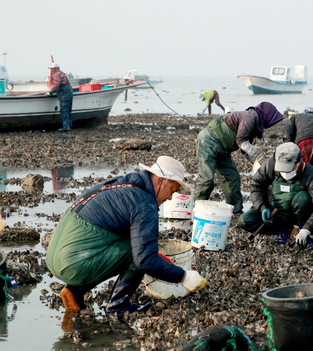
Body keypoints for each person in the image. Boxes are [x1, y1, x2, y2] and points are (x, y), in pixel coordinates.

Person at [46, 156, 208, 313]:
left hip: (55, 256)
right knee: (139, 254)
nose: (170, 197)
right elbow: (144, 259)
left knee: (136, 244)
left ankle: (76, 290)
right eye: (171, 190)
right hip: (73, 265)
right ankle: (118, 305)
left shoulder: (123, 184)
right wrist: (184, 277)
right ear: (160, 180)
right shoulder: (144, 204)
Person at [194, 102, 284, 214]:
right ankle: (196, 210)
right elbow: (241, 141)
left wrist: (260, 165)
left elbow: (245, 151)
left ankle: (235, 211)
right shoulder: (251, 116)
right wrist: (259, 155)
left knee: (233, 178)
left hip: (223, 149)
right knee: (206, 180)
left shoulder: (255, 125)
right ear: (267, 116)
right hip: (209, 141)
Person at [237, 142, 313, 248]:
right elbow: (256, 186)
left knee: (302, 198)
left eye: (289, 168)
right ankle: (284, 230)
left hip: (300, 216)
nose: (285, 172)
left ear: (299, 162)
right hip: (276, 213)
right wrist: (262, 207)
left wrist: (307, 229)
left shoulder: (311, 174)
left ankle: (303, 235)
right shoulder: (269, 166)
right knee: (245, 220)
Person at [48, 63, 73, 131]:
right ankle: (69, 125)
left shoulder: (56, 75)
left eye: (51, 69)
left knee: (64, 109)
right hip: (69, 90)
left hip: (64, 92)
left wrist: (50, 91)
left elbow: (56, 85)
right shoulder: (62, 73)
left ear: (55, 68)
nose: (51, 70)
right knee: (68, 109)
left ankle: (66, 126)